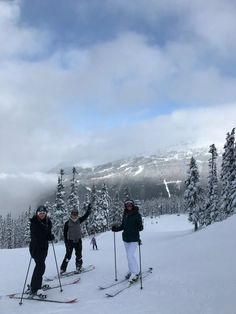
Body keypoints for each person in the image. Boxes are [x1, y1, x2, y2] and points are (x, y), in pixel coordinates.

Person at [112, 200, 143, 283]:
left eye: (130, 204)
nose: (129, 206)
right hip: (126, 239)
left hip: (134, 239)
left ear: (132, 205)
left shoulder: (137, 215)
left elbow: (141, 228)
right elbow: (123, 226)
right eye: (127, 205)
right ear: (125, 206)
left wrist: (137, 226)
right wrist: (116, 229)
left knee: (130, 256)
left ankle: (136, 273)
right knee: (129, 256)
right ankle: (131, 270)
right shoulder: (125, 215)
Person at [29, 205, 54, 296]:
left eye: (43, 213)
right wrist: (47, 237)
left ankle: (35, 284)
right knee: (40, 267)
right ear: (37, 214)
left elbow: (47, 234)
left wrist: (50, 236)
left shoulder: (48, 222)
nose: (42, 214)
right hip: (36, 248)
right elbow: (36, 237)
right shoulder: (34, 222)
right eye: (40, 213)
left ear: (46, 214)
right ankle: (36, 288)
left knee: (39, 267)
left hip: (44, 248)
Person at [60, 203, 91, 274]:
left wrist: (88, 210)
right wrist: (66, 243)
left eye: (76, 214)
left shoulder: (79, 220)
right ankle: (63, 269)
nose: (74, 215)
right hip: (70, 242)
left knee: (79, 255)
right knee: (68, 256)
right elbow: (65, 234)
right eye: (73, 214)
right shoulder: (67, 223)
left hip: (78, 241)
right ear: (71, 214)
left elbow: (85, 216)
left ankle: (78, 267)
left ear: (77, 214)